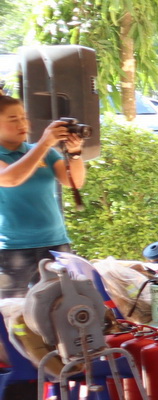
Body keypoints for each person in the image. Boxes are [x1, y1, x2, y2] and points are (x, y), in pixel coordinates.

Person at [0, 98, 85, 297]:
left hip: (55, 242)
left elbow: (74, 182)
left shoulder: (43, 152)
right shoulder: (40, 150)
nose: (22, 124)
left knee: (63, 304)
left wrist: (74, 153)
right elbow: (11, 178)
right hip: (13, 247)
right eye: (13, 119)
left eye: (24, 117)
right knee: (12, 309)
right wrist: (45, 142)